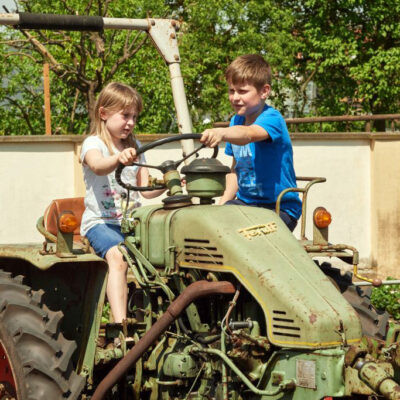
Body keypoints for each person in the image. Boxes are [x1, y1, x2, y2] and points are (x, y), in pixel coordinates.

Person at [80, 82, 164, 324]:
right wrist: (118, 158)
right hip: (101, 223)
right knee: (118, 256)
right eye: (125, 115)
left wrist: (168, 182)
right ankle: (121, 324)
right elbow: (97, 165)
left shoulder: (135, 148)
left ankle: (155, 320)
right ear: (103, 113)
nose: (131, 122)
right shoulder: (94, 144)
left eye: (135, 117)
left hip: (132, 224)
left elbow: (145, 190)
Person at [200, 54, 301, 231]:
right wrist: (222, 205)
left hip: (278, 208)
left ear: (264, 91)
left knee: (247, 236)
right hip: (246, 204)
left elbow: (249, 134)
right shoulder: (235, 122)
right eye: (232, 91)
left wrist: (221, 132)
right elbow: (235, 171)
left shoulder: (272, 119)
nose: (235, 97)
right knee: (210, 228)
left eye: (242, 91)